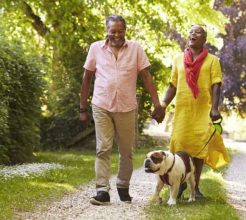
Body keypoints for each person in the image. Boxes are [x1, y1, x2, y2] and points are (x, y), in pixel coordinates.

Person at [79, 15, 165, 205]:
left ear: (125, 31)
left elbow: (146, 77)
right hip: (101, 104)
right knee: (103, 148)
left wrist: (157, 104)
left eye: (120, 31)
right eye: (113, 31)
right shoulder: (96, 48)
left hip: (126, 107)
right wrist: (82, 108)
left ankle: (123, 185)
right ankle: (102, 190)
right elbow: (87, 78)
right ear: (107, 31)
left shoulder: (136, 49)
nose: (117, 35)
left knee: (126, 150)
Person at [160, 24, 229, 199]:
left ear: (204, 39)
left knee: (199, 149)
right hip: (182, 111)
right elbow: (172, 86)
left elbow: (216, 85)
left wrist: (214, 108)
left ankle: (195, 188)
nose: (193, 34)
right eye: (191, 32)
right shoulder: (178, 59)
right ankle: (179, 182)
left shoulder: (213, 60)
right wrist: (162, 105)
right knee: (180, 147)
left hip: (202, 111)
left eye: (197, 32)